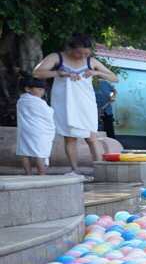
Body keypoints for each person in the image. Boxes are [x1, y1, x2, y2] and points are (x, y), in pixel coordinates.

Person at [32, 34, 118, 176]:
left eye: (86, 53)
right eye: (79, 52)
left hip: (86, 103)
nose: (82, 55)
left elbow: (114, 78)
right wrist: (59, 73)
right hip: (65, 103)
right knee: (70, 137)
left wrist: (95, 72)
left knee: (91, 137)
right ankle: (74, 170)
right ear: (70, 48)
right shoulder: (57, 57)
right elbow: (37, 73)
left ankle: (101, 170)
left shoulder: (91, 61)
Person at [16, 78, 55, 175]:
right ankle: (42, 175)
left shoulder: (21, 100)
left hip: (25, 130)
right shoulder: (39, 102)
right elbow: (48, 113)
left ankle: (28, 174)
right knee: (40, 153)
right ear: (28, 89)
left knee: (24, 151)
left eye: (43, 89)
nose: (42, 92)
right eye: (39, 89)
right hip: (38, 131)